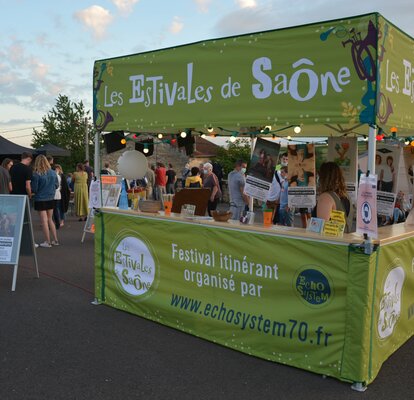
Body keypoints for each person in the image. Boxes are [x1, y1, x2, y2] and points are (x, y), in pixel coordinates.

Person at [31, 155, 59, 247]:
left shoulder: (36, 174)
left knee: (44, 221)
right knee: (50, 219)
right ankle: (55, 240)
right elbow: (56, 185)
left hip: (40, 198)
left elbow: (34, 189)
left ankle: (48, 241)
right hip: (51, 198)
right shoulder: (53, 173)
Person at [316, 162, 351, 232]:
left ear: (323, 177)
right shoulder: (346, 196)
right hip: (344, 239)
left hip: (330, 241)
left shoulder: (326, 197)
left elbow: (321, 227)